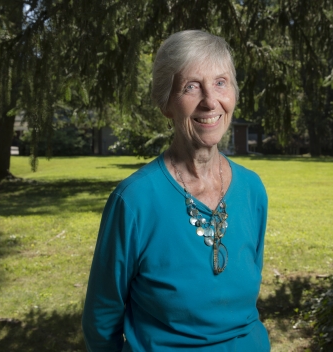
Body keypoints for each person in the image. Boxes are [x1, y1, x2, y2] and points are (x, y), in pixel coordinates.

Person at [82, 30, 270, 351]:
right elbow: (102, 319)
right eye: (191, 87)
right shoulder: (133, 201)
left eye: (221, 82)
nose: (210, 101)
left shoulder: (252, 189)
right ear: (166, 104)